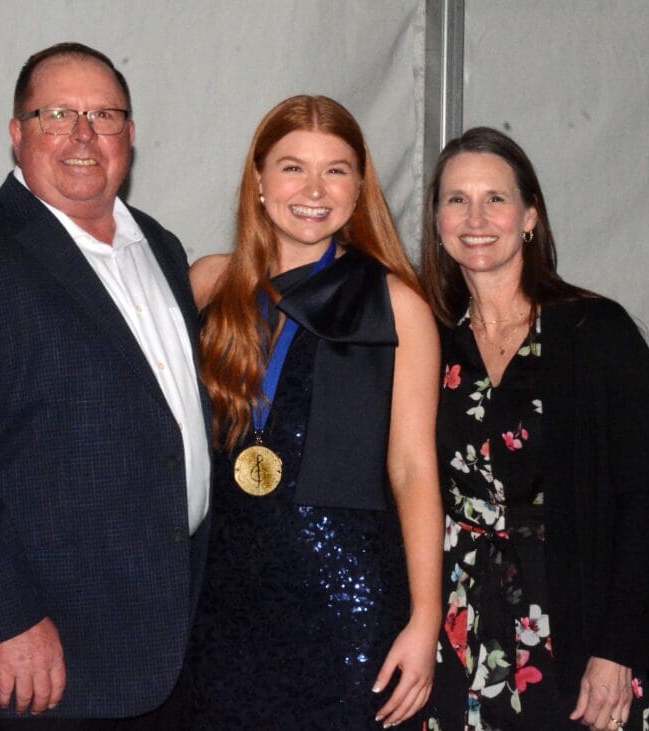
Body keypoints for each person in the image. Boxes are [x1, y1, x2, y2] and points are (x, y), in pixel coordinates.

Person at [0, 42, 210, 728]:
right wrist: (7, 619)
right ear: (17, 133)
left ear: (130, 134)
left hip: (169, 656)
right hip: (43, 666)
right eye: (57, 113)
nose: (84, 136)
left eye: (105, 115)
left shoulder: (162, 249)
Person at [187, 95, 444, 729]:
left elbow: (414, 469)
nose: (314, 188)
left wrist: (424, 620)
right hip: (222, 603)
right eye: (292, 166)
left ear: (360, 188)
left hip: (348, 604)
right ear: (258, 180)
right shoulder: (209, 285)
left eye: (336, 169)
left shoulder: (396, 305)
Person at [419, 127, 649, 731]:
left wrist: (616, 648)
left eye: (495, 199)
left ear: (530, 216)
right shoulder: (429, 345)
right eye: (457, 199)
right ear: (437, 219)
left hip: (575, 634)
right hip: (459, 630)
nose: (476, 217)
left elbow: (639, 504)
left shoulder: (597, 333)